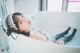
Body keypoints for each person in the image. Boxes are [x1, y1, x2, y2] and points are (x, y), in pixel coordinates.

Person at [5, 12, 77, 45]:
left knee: (57, 35)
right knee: (64, 39)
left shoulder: (29, 31)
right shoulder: (28, 37)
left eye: (23, 16)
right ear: (19, 30)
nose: (25, 19)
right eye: (20, 22)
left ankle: (66, 31)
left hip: (49, 37)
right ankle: (72, 34)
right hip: (53, 43)